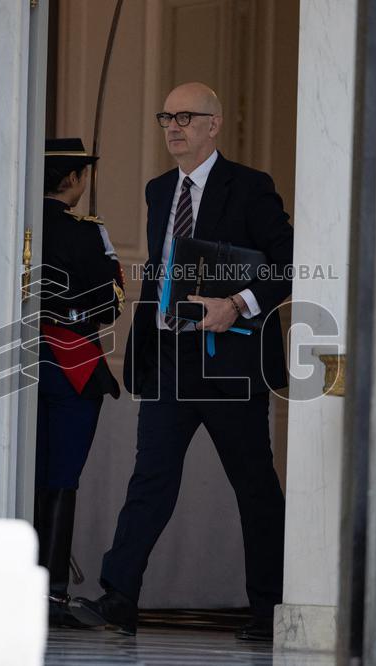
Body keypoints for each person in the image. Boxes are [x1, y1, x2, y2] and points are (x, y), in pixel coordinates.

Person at [70, 82, 293, 641]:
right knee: (150, 479)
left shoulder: (250, 188)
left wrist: (236, 304)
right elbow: (161, 275)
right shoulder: (157, 190)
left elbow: (288, 264)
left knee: (254, 487)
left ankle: (269, 609)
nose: (174, 126)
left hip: (233, 363)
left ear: (214, 124)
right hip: (171, 361)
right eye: (166, 117)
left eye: (187, 117)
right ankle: (119, 596)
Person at [36, 138, 124, 627]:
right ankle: (50, 593)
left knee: (26, 475)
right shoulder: (90, 233)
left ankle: (19, 582)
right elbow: (110, 305)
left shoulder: (16, 222)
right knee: (62, 478)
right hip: (73, 367)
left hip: (22, 367)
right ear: (72, 180)